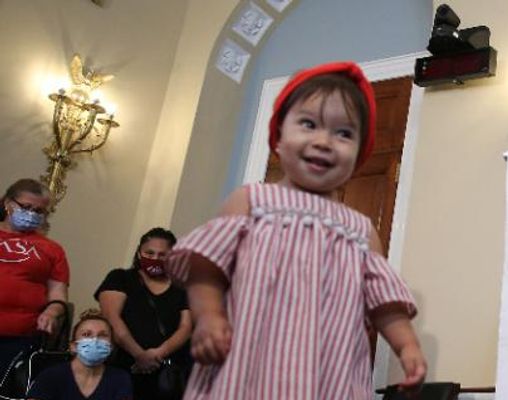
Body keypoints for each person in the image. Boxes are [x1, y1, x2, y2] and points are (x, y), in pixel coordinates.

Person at [165, 61, 425, 399]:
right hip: (246, 367)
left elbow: (384, 303)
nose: (324, 141)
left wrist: (408, 347)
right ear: (278, 137)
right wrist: (209, 316)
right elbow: (206, 268)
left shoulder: (360, 230)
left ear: (359, 152)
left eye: (344, 133)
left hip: (328, 375)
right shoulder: (251, 201)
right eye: (308, 124)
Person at [95, 227, 191, 399]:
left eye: (162, 255)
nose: (155, 258)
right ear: (139, 253)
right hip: (124, 366)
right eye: (150, 253)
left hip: (167, 372)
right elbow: (112, 318)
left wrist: (157, 354)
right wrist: (139, 355)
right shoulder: (120, 277)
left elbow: (186, 326)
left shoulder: (183, 287)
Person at [0, 179, 69, 369]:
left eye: (39, 211)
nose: (31, 214)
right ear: (8, 203)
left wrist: (51, 312)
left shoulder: (53, 249)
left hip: (20, 338)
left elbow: (58, 296)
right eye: (26, 207)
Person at [27, 309, 133, 400]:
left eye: (102, 335)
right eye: (86, 334)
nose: (94, 340)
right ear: (73, 346)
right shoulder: (51, 376)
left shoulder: (120, 378)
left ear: (111, 346)